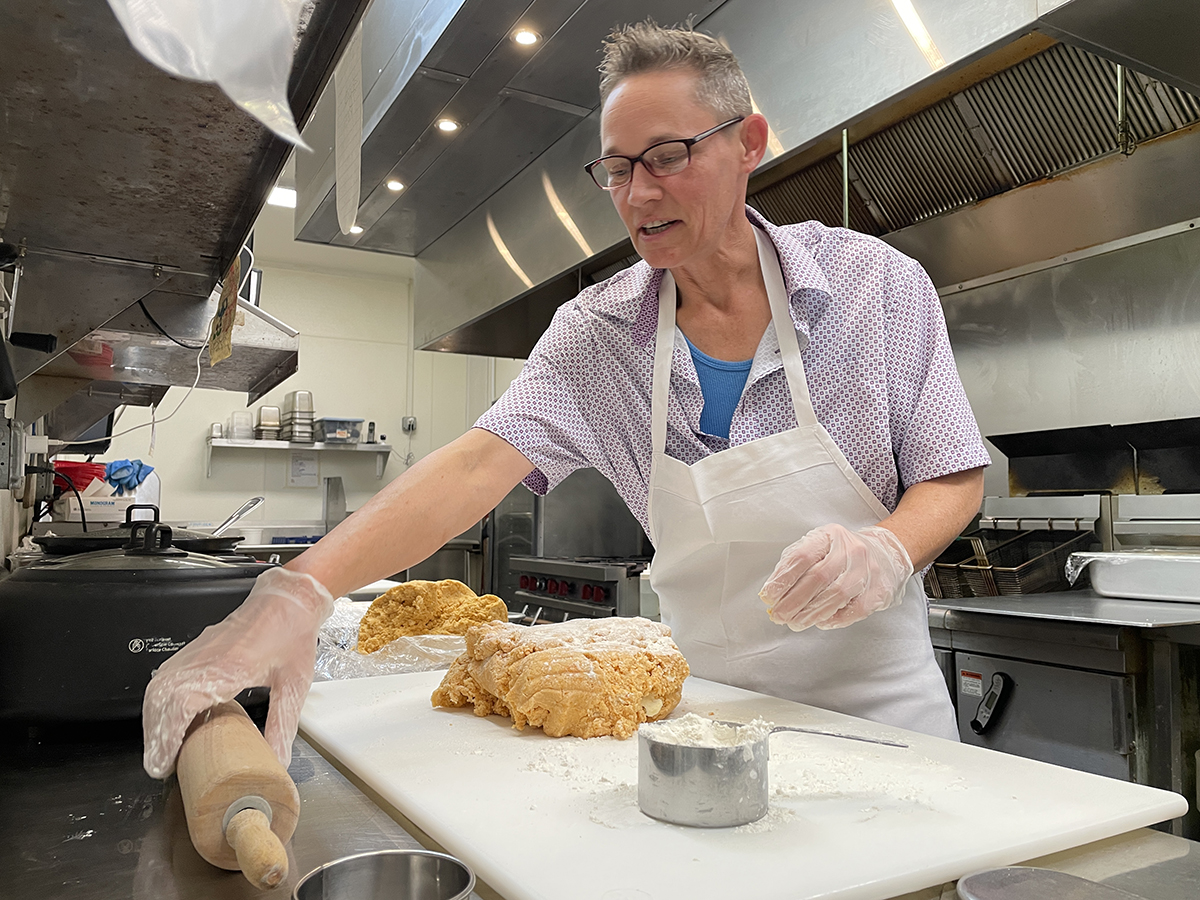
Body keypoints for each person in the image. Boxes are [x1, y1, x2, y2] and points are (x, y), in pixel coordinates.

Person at [141, 22, 990, 779]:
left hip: (887, 725)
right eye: (617, 170)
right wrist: (299, 590)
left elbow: (952, 476)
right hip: (703, 730)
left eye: (667, 157)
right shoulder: (599, 333)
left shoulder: (875, 287)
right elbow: (478, 461)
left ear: (749, 143)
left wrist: (884, 550)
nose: (639, 195)